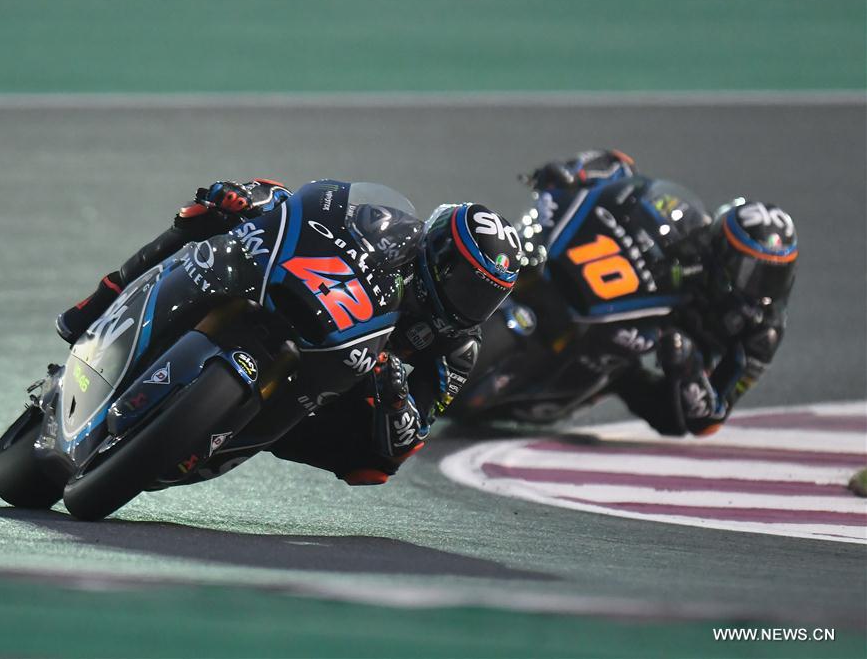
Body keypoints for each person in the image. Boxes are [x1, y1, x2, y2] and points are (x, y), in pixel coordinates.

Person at [56, 178, 522, 483]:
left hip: (331, 389)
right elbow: (312, 212)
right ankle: (99, 301)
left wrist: (395, 393)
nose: (472, 306)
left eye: (488, 298)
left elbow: (407, 440)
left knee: (373, 465)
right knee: (212, 214)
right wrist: (258, 198)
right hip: (309, 297)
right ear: (438, 255)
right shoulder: (393, 228)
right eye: (467, 286)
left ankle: (223, 430)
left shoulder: (458, 348)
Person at [452, 150, 797, 437]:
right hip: (624, 298)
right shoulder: (697, 241)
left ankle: (581, 386)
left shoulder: (762, 334)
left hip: (670, 356)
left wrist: (688, 368)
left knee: (665, 413)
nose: (761, 287)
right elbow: (627, 179)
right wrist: (581, 173)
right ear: (722, 252)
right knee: (523, 253)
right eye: (752, 272)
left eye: (774, 275)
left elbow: (708, 420)